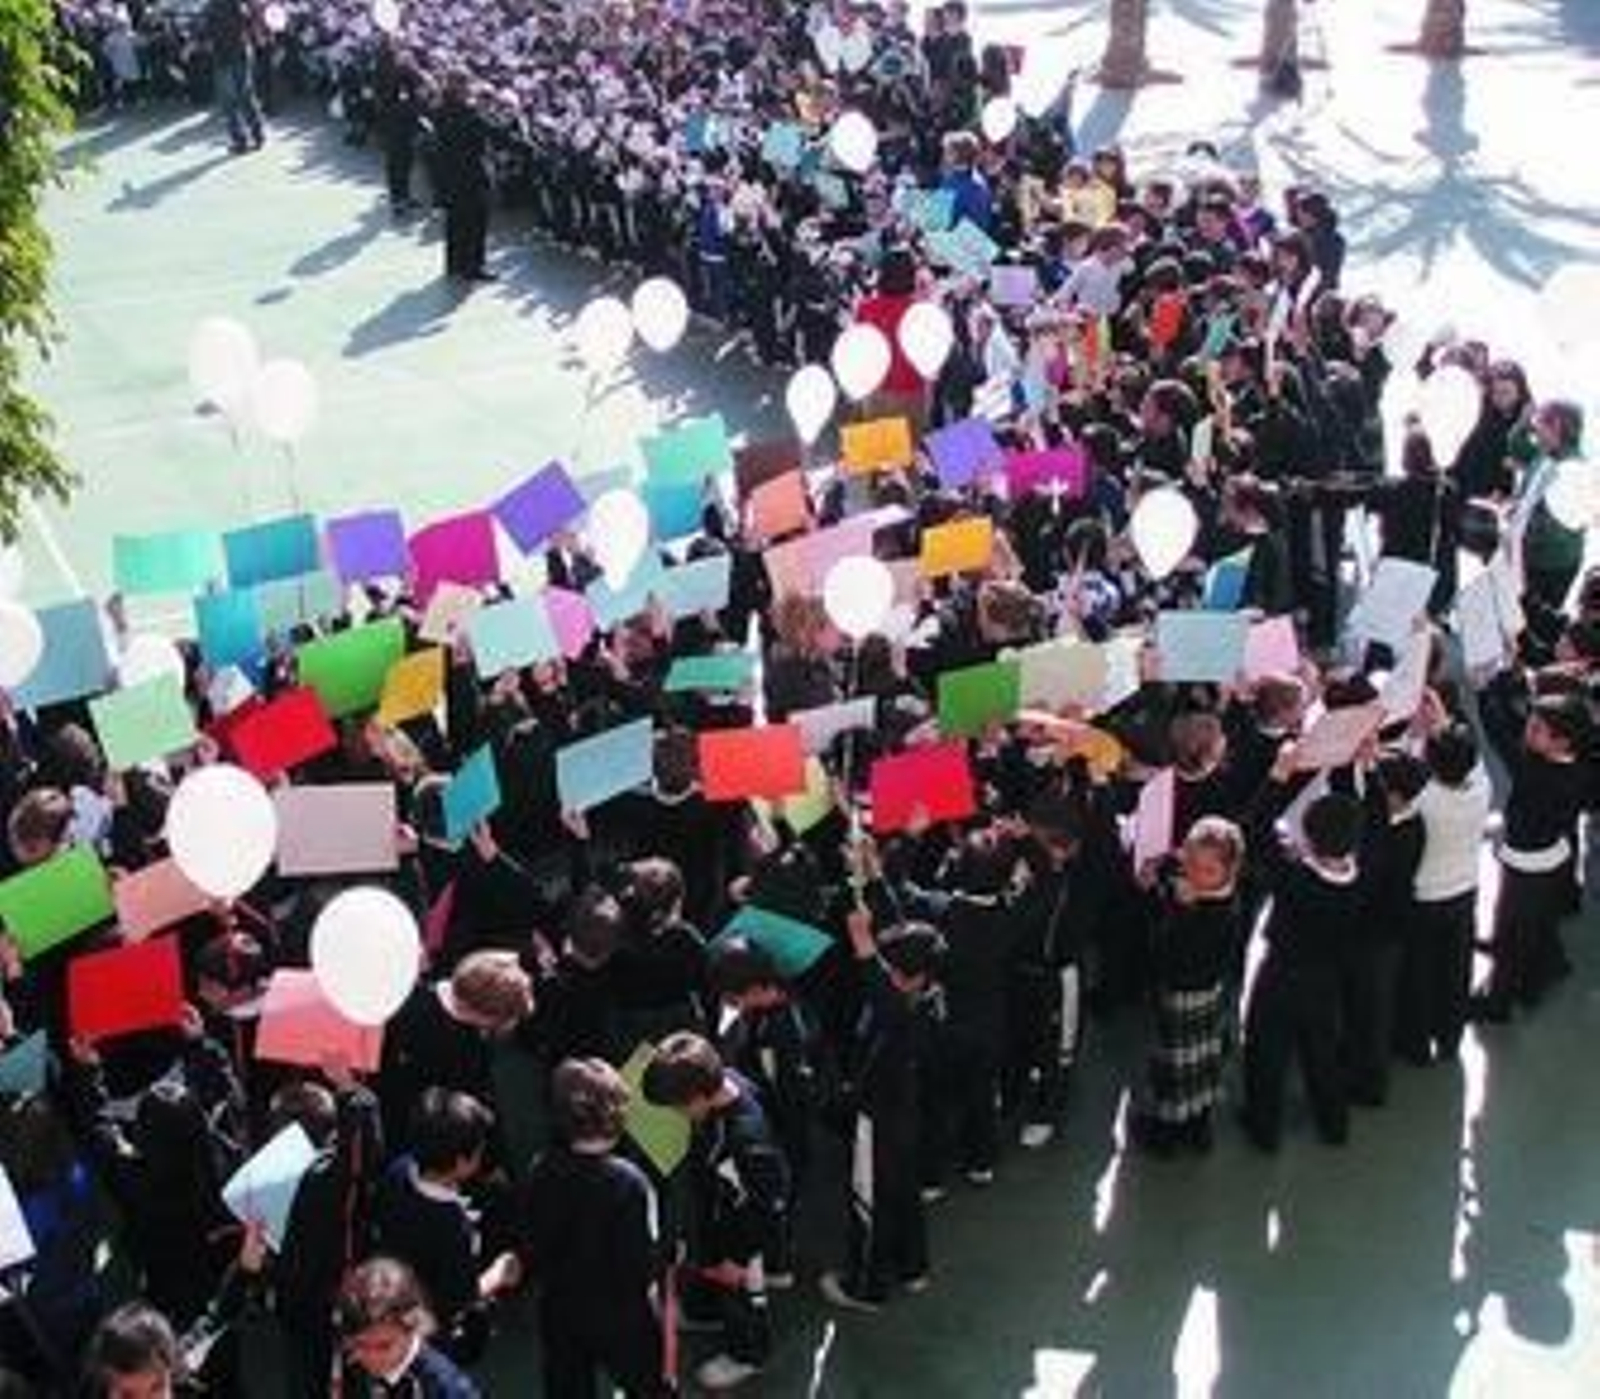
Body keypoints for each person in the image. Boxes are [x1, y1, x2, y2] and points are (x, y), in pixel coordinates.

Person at [642, 1033, 790, 1391]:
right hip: (715, 1213)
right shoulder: (729, 1083)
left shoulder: (745, 1140)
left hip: (743, 1235)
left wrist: (740, 1259)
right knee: (709, 1269)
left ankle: (749, 1353)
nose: (678, 1115)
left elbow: (768, 1205)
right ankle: (707, 1310)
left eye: (678, 1107)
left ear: (699, 1096)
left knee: (744, 1296)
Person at [520, 1059, 673, 1399]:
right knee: (646, 1383)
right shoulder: (630, 1183)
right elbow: (640, 1260)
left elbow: (533, 1238)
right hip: (622, 1313)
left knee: (567, 1384)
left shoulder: (540, 1168)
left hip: (561, 1305)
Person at [819, 906, 941, 1312]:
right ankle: (912, 1266)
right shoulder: (929, 999)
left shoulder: (902, 1015)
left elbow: (884, 999)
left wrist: (864, 945)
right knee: (905, 1194)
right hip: (907, 1117)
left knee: (869, 1203)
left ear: (912, 978)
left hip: (880, 1119)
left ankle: (865, 1285)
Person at [1130, 817, 1245, 1156]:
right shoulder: (1214, 892)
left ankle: (1166, 1134)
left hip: (1183, 993)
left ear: (1229, 870)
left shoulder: (1212, 910)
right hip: (1208, 994)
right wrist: (1162, 873)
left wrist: (1178, 907)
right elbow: (1170, 868)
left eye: (1206, 870)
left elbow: (1172, 947)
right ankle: (1198, 1127)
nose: (1194, 875)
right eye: (1190, 864)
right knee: (1203, 1062)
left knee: (1174, 1068)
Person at [335, 1257, 482, 1397]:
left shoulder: (444, 1386)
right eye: (360, 1344)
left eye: (384, 1346)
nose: (372, 1358)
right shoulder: (357, 1365)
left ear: (415, 1326)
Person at [433, 72, 494, 283]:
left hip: (449, 175)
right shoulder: (469, 113)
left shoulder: (441, 109)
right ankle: (473, 266)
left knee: (455, 222)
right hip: (470, 174)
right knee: (475, 222)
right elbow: (481, 138)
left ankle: (454, 264)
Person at [204, 0, 263, 154]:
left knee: (230, 103)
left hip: (223, 58)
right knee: (247, 96)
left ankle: (240, 141)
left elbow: (207, 33)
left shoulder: (212, 6)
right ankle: (258, 135)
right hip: (241, 53)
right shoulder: (239, 3)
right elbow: (250, 23)